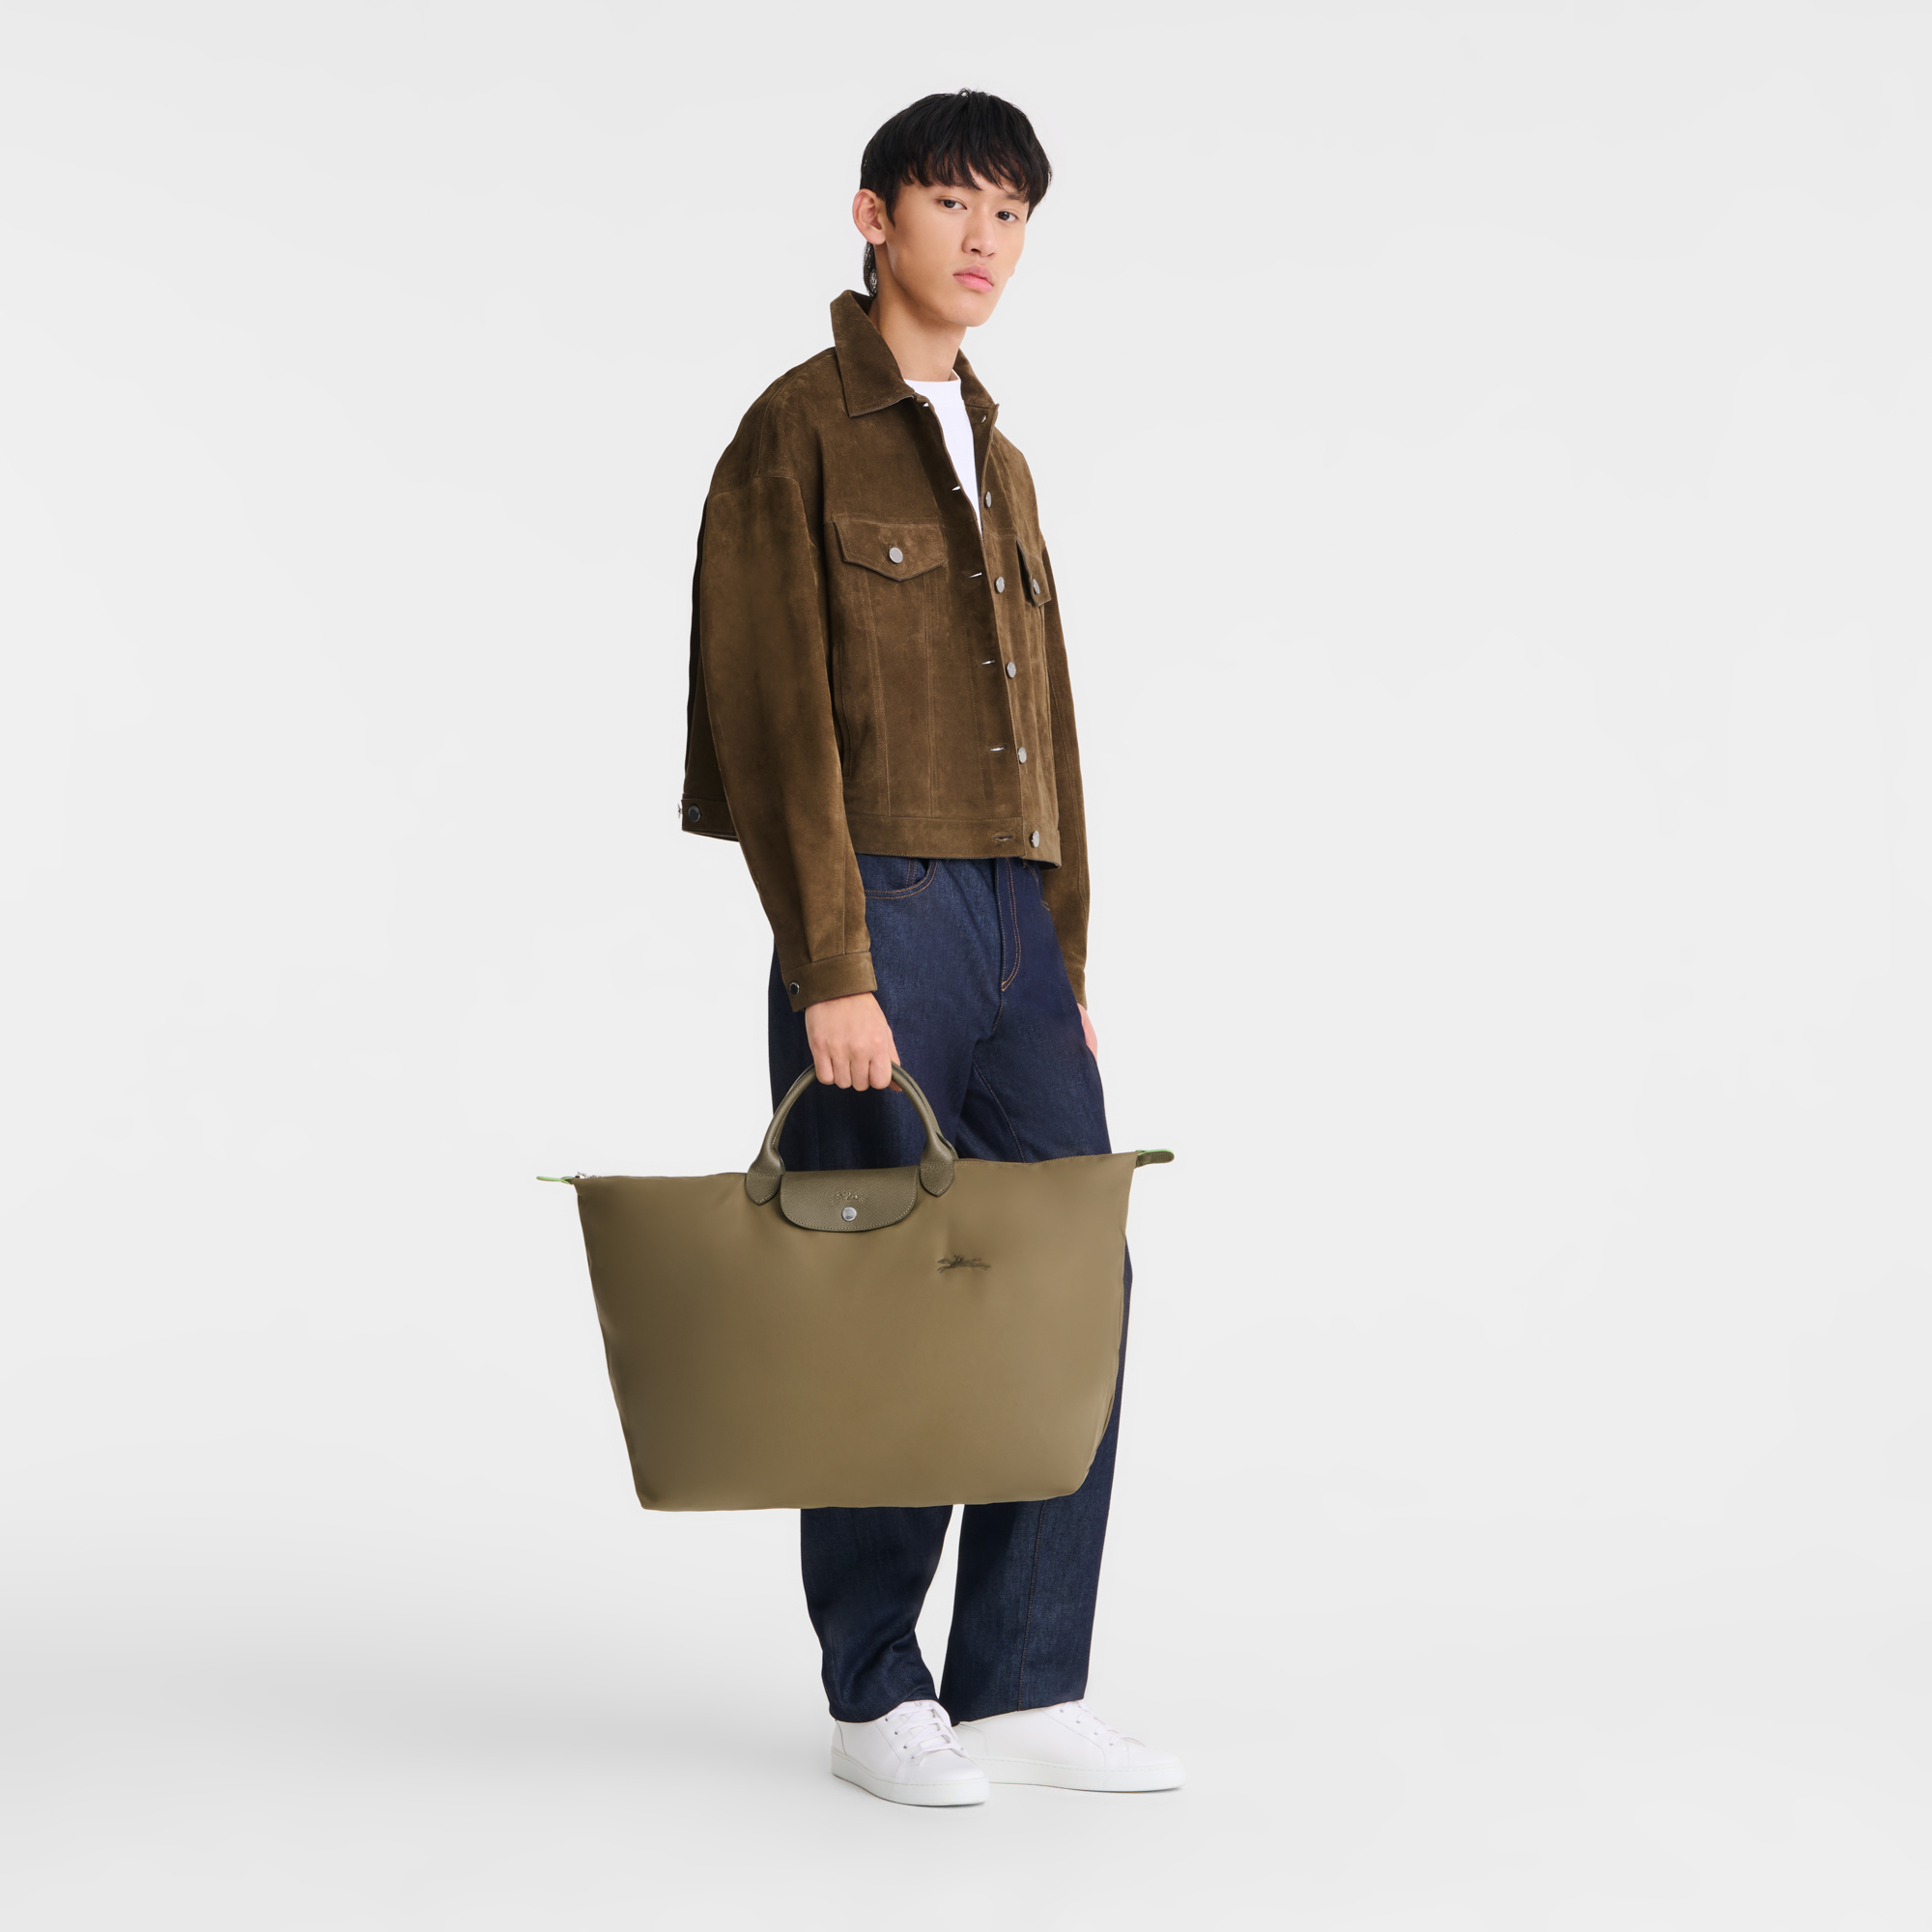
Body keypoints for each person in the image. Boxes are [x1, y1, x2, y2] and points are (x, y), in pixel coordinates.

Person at [680, 89, 1183, 1806]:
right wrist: (830, 960)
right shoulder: (797, 431)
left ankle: (1024, 1680)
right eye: (953, 202)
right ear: (873, 216)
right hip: (880, 910)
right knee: (885, 1288)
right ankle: (875, 1689)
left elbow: (1052, 731)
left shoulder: (1002, 458)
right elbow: (771, 720)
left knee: (1068, 1276)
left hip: (1017, 923)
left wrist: (1068, 957)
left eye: (1012, 213)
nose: (984, 239)